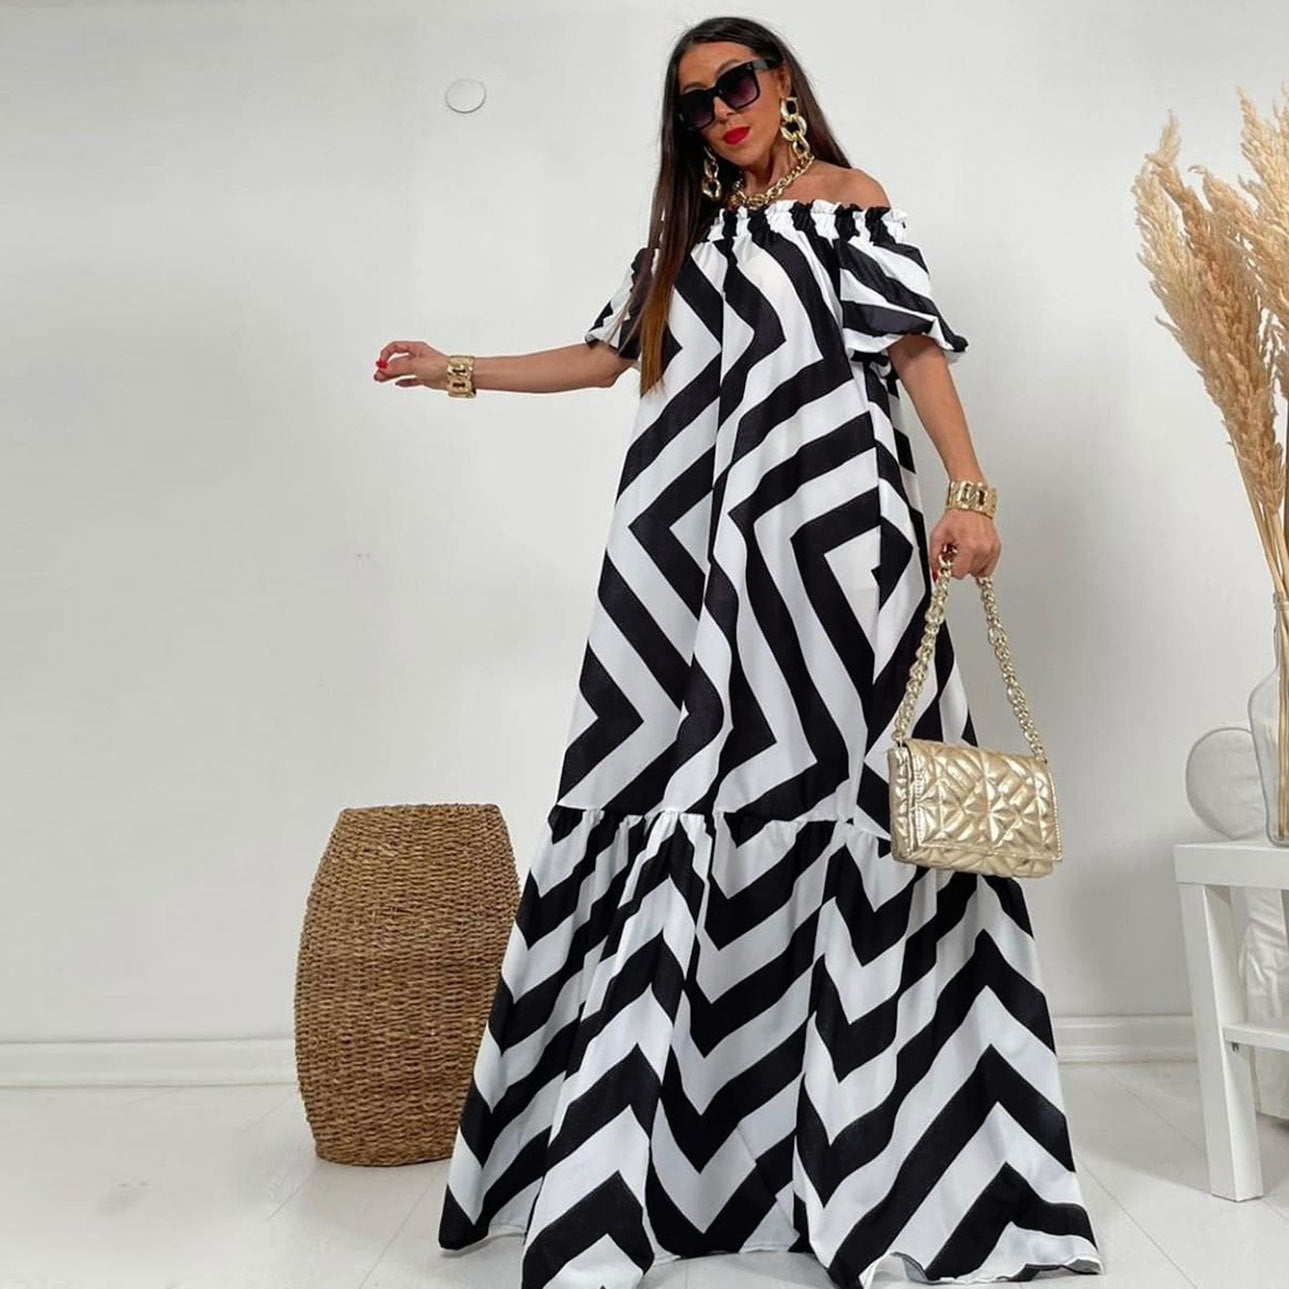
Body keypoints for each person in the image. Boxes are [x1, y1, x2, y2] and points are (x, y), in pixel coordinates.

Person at [375, 15, 1104, 1289]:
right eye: (694, 102)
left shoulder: (846, 203)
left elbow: (912, 350)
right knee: (681, 791)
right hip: (693, 561)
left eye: (735, 82)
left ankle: (882, 1153)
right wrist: (458, 370)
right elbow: (604, 357)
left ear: (781, 84)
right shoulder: (681, 241)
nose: (719, 110)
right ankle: (690, 1161)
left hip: (837, 546)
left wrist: (969, 489)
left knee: (856, 804)